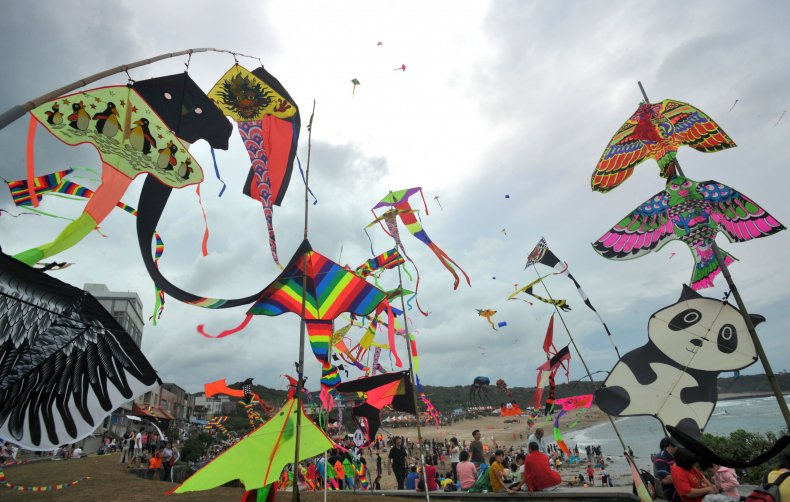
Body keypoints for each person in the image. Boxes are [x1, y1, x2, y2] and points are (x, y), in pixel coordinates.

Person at [654, 436, 678, 501]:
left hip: (683, 487)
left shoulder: (678, 455)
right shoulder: (660, 458)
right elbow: (666, 480)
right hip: (672, 491)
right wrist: (686, 477)